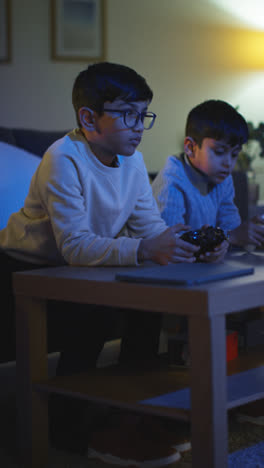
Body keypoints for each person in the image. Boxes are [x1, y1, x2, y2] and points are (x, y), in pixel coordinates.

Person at [0, 62, 198, 466]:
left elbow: (149, 227)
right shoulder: (63, 159)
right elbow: (72, 245)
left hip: (78, 266)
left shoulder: (134, 162)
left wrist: (181, 246)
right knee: (89, 316)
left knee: (149, 306)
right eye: (128, 114)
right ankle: (69, 430)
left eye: (143, 115)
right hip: (26, 268)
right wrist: (144, 249)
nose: (139, 126)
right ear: (88, 118)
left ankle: (132, 416)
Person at [152, 99, 264, 258]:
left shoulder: (222, 177)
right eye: (219, 152)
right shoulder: (172, 183)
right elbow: (172, 245)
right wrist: (230, 237)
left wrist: (250, 236)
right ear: (190, 148)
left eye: (234, 154)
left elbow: (231, 227)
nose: (228, 163)